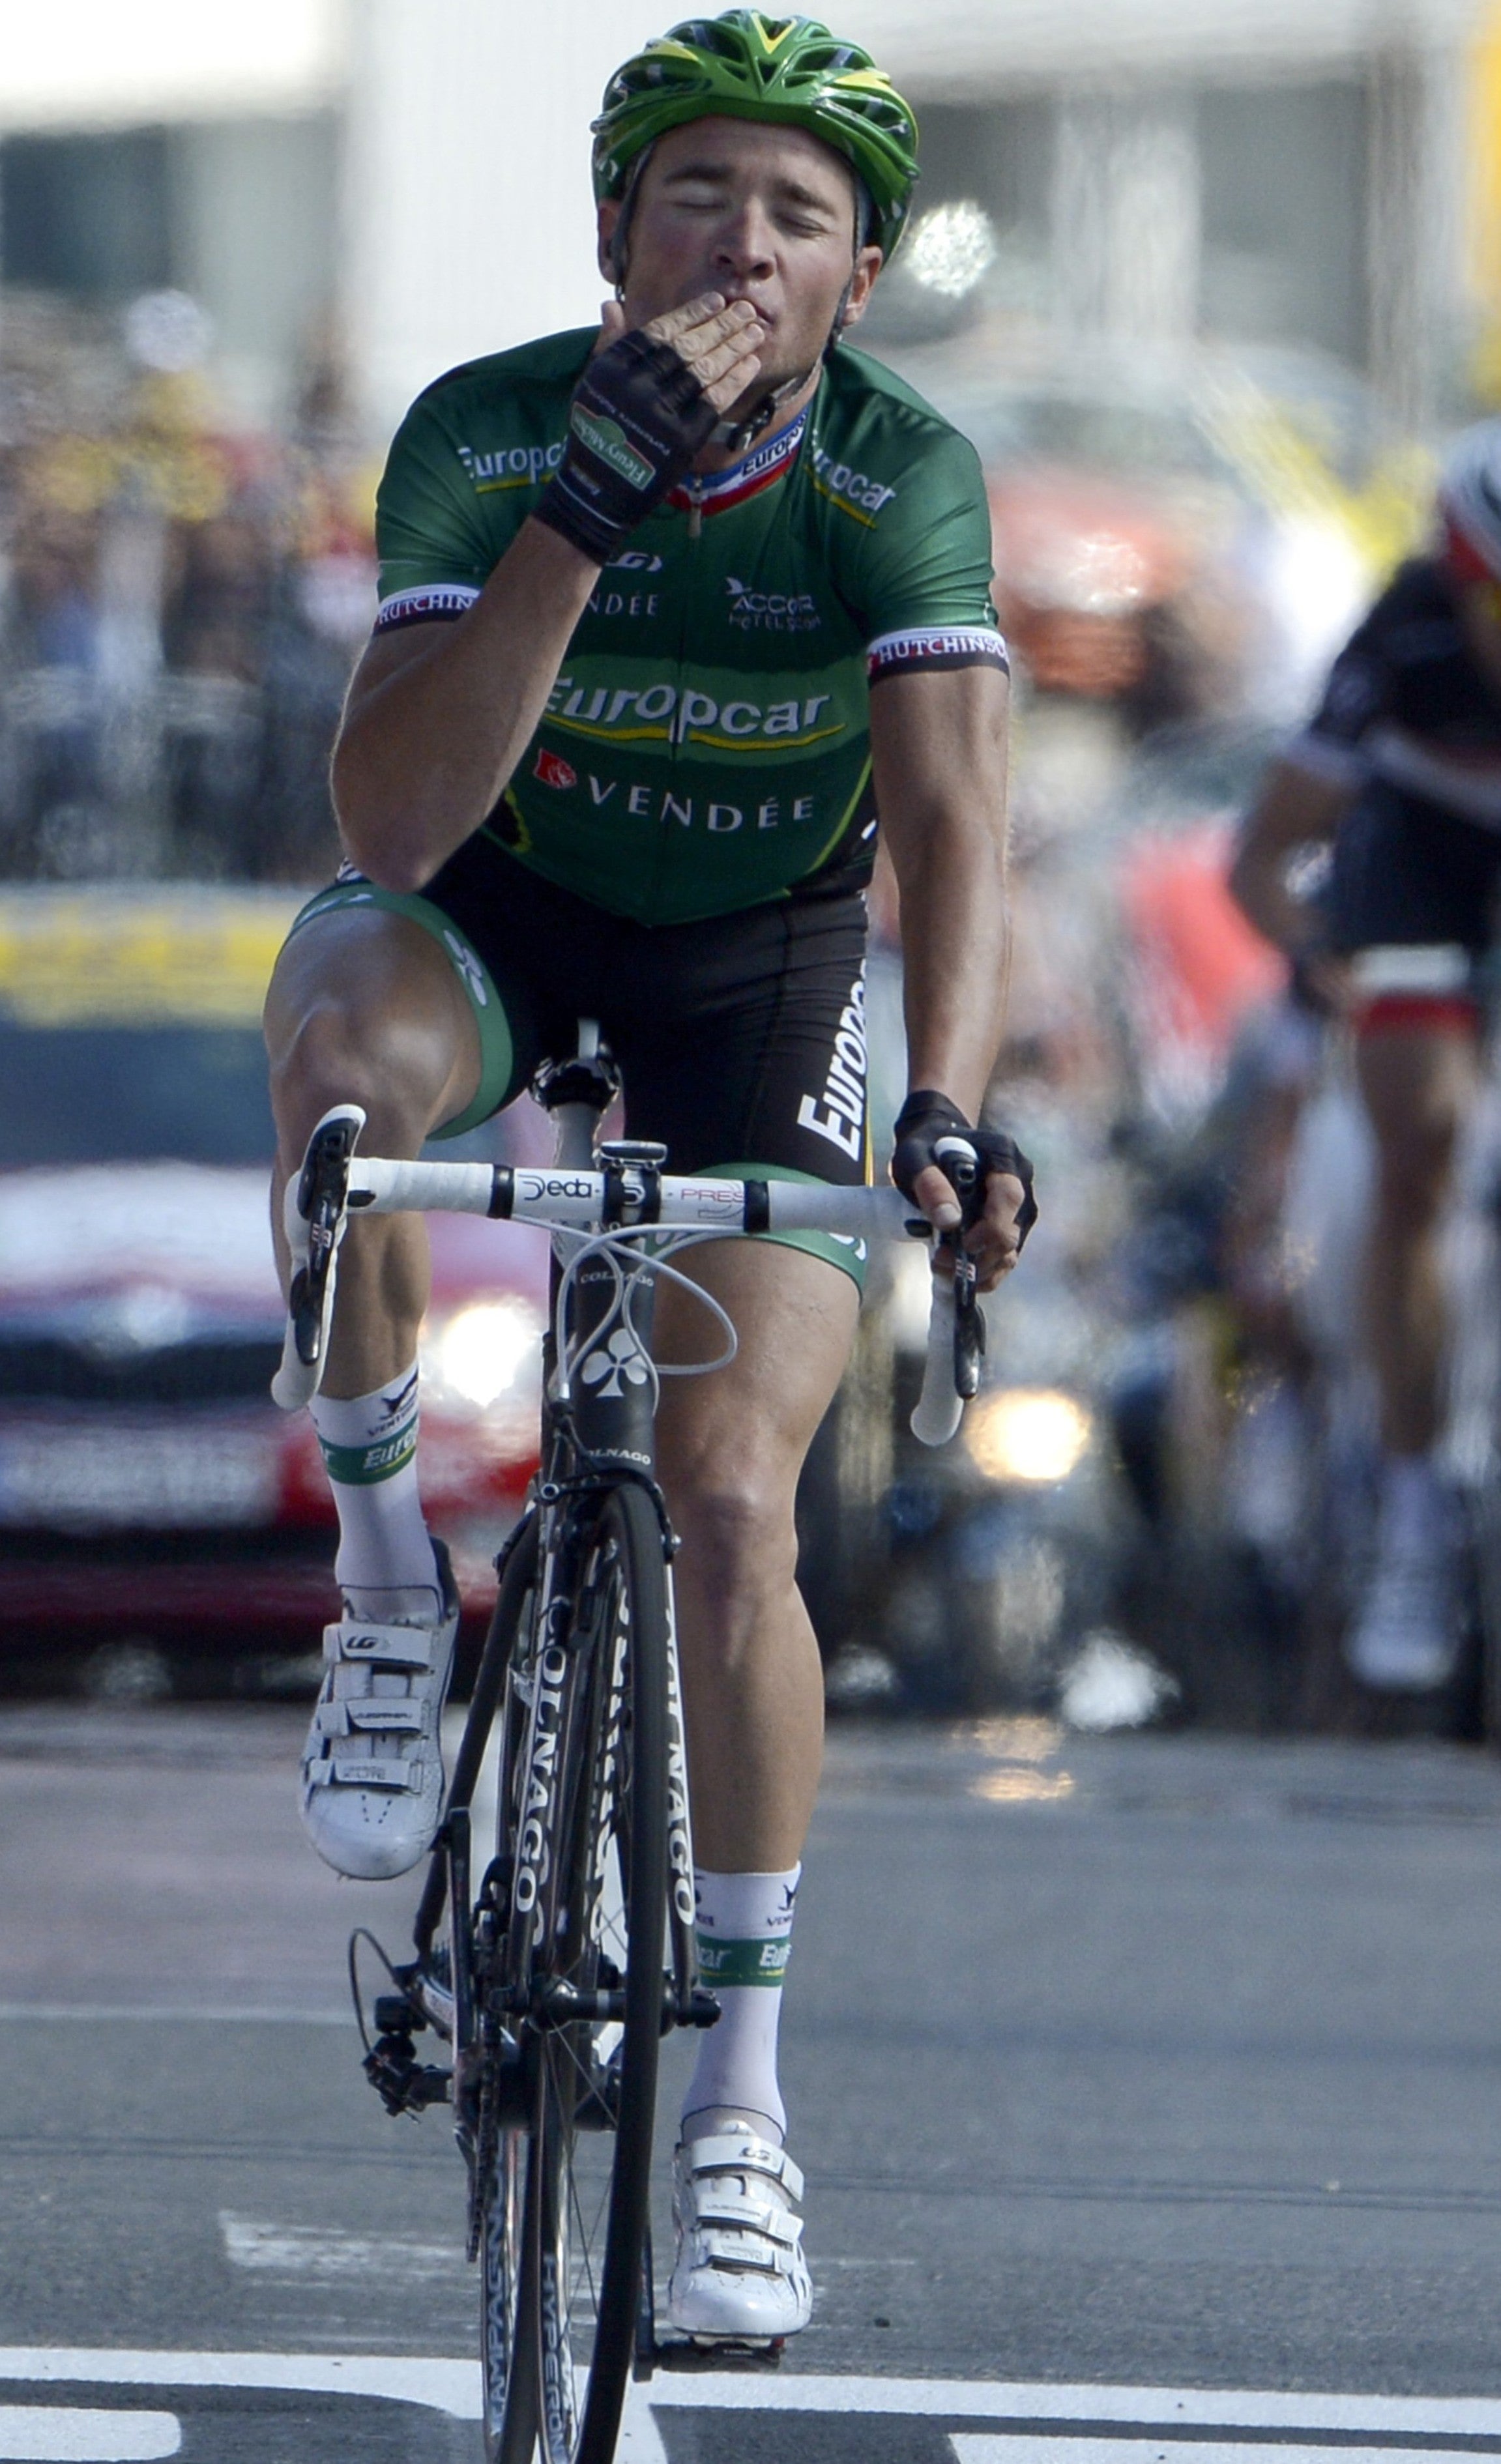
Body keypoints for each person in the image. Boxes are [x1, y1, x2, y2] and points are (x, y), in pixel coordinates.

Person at [263, 10, 1032, 2344]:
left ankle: (738, 2115)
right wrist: (585, 507)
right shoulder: (490, 430)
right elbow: (386, 825)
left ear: (857, 278)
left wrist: (957, 1102)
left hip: (757, 970)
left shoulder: (896, 470)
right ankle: (392, 1590)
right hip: (484, 907)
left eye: (797, 213)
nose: (742, 241)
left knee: (728, 1501)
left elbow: (956, 821)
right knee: (339, 1084)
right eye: (697, 196)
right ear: (619, 236)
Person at [1230, 420, 1501, 1692]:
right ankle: (1412, 1503)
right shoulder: (1406, 631)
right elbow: (1260, 862)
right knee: (1423, 1129)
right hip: (1421, 867)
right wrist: (1318, 960)